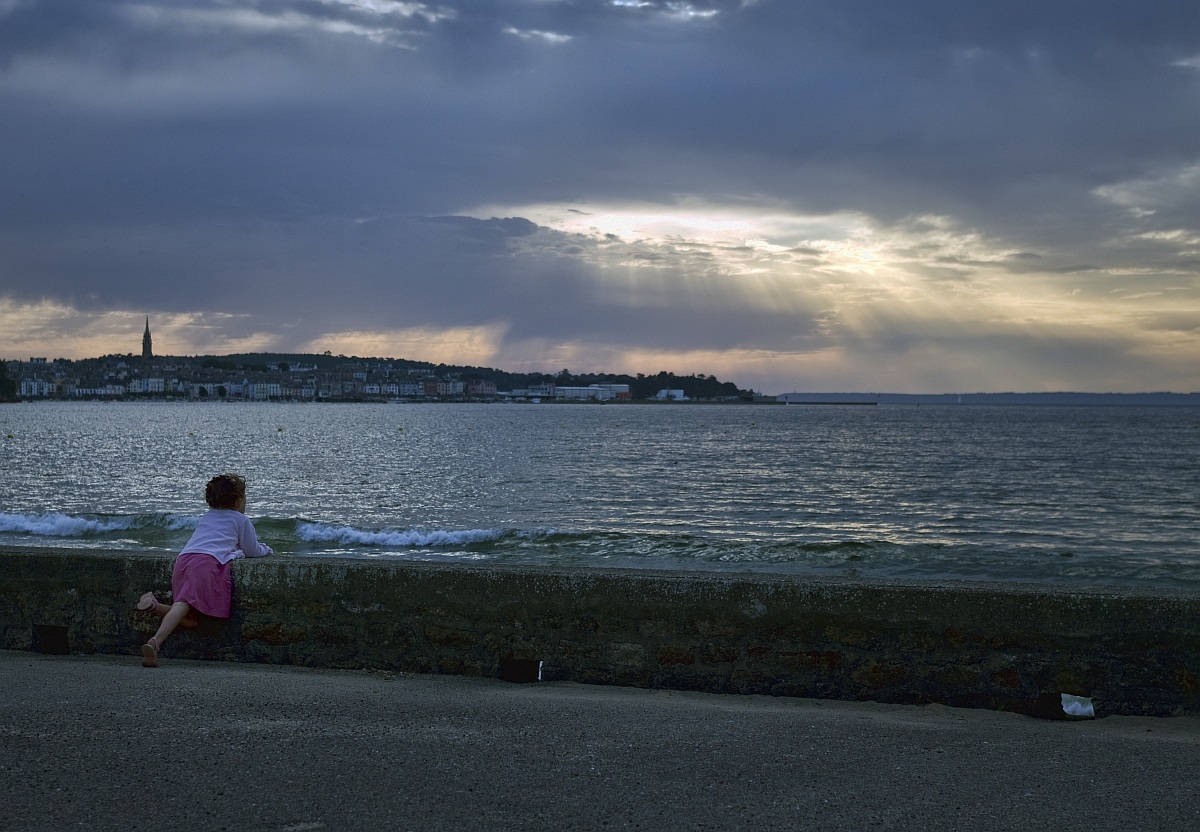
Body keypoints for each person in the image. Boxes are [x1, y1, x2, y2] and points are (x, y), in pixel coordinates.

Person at [137, 473, 273, 667]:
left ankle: (154, 606)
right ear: (238, 500)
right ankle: (155, 642)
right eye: (245, 498)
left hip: (184, 561)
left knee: (191, 620)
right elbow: (251, 550)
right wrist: (266, 550)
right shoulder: (241, 520)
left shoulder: (207, 517)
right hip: (205, 565)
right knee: (182, 605)